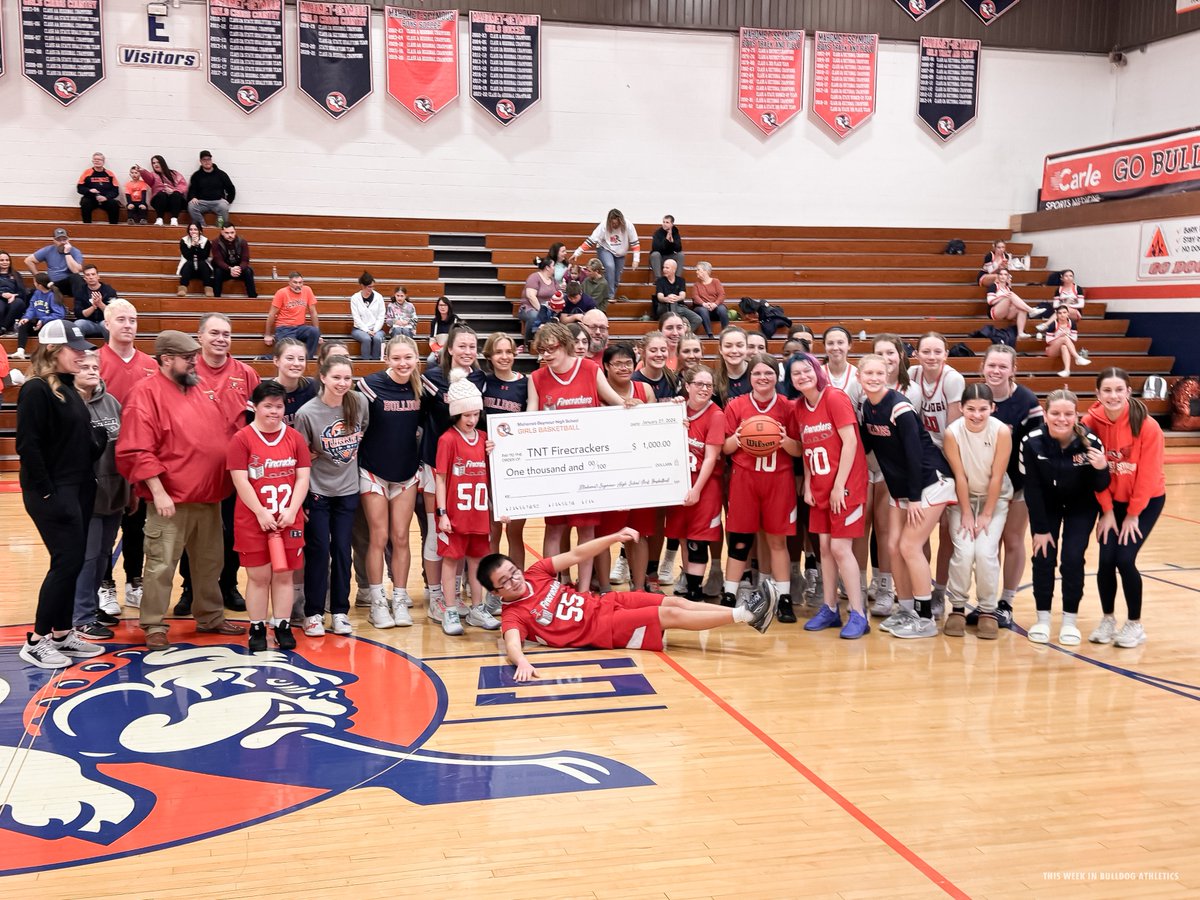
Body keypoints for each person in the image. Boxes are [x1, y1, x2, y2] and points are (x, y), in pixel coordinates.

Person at [480, 528, 775, 681]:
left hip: (606, 602)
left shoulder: (535, 572)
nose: (513, 581)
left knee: (672, 600)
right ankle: (745, 613)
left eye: (512, 573)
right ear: (496, 592)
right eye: (504, 582)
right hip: (602, 629)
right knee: (669, 614)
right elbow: (512, 644)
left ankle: (749, 615)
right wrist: (521, 662)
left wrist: (614, 537)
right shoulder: (514, 615)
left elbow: (578, 553)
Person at [115, 331, 247, 649]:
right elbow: (136, 449)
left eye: (194, 358)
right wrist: (158, 492)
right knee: (161, 564)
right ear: (166, 359)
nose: (194, 363)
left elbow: (221, 433)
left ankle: (210, 616)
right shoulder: (145, 394)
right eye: (188, 358)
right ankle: (153, 623)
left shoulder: (198, 388)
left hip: (209, 496)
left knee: (209, 562)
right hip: (170, 499)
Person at [15, 320, 108, 668]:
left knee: (71, 563)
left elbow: (77, 444)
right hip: (55, 492)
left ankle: (62, 633)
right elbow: (29, 446)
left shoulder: (67, 389)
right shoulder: (36, 389)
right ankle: (37, 640)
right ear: (54, 350)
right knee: (65, 563)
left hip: (79, 488)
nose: (83, 355)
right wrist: (48, 494)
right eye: (75, 349)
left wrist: (98, 438)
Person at [527, 322, 630, 596]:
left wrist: (651, 411)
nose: (547, 355)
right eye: (543, 350)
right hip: (555, 468)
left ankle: (583, 592)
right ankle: (552, 588)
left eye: (552, 349)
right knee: (554, 530)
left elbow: (619, 404)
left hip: (588, 468)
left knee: (586, 532)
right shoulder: (536, 378)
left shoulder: (590, 370)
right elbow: (527, 423)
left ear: (565, 344)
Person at [859, 353, 956, 640]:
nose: (875, 378)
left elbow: (915, 454)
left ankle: (925, 617)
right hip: (903, 487)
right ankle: (906, 609)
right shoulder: (867, 407)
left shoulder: (899, 407)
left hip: (929, 482)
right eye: (869, 374)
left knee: (909, 546)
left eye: (880, 372)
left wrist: (914, 498)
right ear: (859, 377)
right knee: (891, 546)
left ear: (889, 373)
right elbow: (865, 446)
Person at [179, 313, 261, 614]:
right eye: (214, 333)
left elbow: (256, 422)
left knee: (231, 532)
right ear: (199, 336)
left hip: (236, 472)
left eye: (226, 334)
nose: (220, 339)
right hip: (194, 469)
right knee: (192, 532)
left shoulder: (246, 374)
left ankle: (228, 585)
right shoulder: (185, 372)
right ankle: (190, 588)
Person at [1082, 368, 1167, 649]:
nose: (1113, 396)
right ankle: (1108, 619)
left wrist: (1133, 515)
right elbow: (1096, 474)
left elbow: (1149, 475)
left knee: (1124, 559)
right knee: (1106, 560)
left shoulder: (1147, 426)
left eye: (1119, 390)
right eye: (1107, 390)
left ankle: (1134, 624)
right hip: (1111, 501)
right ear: (1098, 394)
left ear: (1129, 392)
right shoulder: (1088, 424)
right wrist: (1106, 511)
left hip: (1146, 501)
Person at [788, 352, 870, 639]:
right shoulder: (799, 407)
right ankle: (830, 608)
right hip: (821, 487)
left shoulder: (834, 397)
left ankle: (859, 613)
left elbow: (850, 442)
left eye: (806, 370)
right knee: (824, 550)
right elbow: (808, 449)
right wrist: (809, 483)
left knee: (840, 549)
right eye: (796, 373)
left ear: (817, 371)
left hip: (846, 486)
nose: (802, 376)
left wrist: (839, 486)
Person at [227, 381, 310, 653]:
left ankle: (283, 625)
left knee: (284, 576)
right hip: (254, 520)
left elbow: (302, 479)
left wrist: (292, 509)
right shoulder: (242, 439)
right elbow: (240, 480)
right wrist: (260, 512)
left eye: (278, 406)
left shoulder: (295, 438)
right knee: (259, 577)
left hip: (287, 519)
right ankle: (257, 626)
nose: (273, 412)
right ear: (255, 407)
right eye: (267, 406)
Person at [1022, 389, 1109, 646]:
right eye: (1055, 413)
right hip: (1046, 505)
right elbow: (1032, 488)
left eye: (1068, 414)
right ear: (1046, 414)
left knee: (1072, 559)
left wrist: (1102, 467)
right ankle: (1043, 619)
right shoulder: (1031, 442)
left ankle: (1070, 620)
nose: (1062, 419)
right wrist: (1039, 528)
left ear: (1077, 416)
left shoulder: (1091, 442)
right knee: (1043, 555)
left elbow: (1101, 485)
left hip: (1080, 506)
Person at [420, 326, 493, 627]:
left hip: (473, 490)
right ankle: (441, 600)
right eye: (461, 345)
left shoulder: (480, 381)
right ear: (449, 348)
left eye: (472, 346)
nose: (467, 351)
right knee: (440, 542)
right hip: (440, 467)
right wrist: (442, 510)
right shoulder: (433, 375)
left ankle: (473, 605)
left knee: (473, 553)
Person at [294, 354, 368, 637]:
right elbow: (300, 458)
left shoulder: (358, 402)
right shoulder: (307, 413)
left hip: (348, 491)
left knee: (341, 552)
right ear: (322, 377)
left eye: (347, 378)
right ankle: (313, 613)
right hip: (318, 492)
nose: (342, 383)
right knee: (318, 551)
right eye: (336, 377)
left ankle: (339, 611)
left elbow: (364, 431)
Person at [721, 352, 799, 617]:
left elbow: (799, 450)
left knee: (778, 542)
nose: (763, 377)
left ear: (777, 377)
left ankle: (784, 598)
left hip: (779, 479)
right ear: (749, 377)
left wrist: (782, 439)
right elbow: (725, 447)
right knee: (740, 540)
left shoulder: (789, 407)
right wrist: (740, 437)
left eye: (768, 373)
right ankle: (729, 595)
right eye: (757, 373)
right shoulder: (736, 406)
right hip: (745, 480)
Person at [358, 335, 424, 629]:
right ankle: (376, 600)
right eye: (396, 358)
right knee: (379, 537)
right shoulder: (369, 386)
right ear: (386, 358)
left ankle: (399, 597)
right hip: (373, 471)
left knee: (401, 537)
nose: (402, 363)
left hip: (407, 473)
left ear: (415, 359)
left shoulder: (422, 387)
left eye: (407, 358)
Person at [98, 299, 157, 611]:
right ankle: (104, 585)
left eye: (133, 320)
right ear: (107, 323)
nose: (128, 325)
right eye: (121, 319)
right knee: (106, 526)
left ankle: (135, 580)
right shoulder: (94, 361)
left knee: (137, 526)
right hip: (104, 459)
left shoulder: (150, 364)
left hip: (139, 458)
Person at [941, 384, 1012, 639]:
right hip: (964, 499)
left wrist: (986, 513)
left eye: (983, 409)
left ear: (993, 408)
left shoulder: (1001, 431)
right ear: (961, 408)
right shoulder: (952, 433)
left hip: (996, 498)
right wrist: (967, 512)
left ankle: (987, 611)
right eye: (971, 409)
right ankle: (958, 608)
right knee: (963, 550)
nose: (977, 414)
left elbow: (997, 476)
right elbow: (959, 475)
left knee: (985, 552)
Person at [979, 344, 1043, 629]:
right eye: (992, 365)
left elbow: (1037, 449)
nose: (996, 371)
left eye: (1003, 366)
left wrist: (1028, 487)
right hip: (982, 483)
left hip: (1018, 483)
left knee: (1013, 540)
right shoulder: (976, 396)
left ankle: (1006, 603)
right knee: (986, 546)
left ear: (1013, 370)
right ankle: (987, 604)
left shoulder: (1027, 402)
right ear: (983, 366)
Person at [70, 350, 128, 640]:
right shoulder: (67, 402)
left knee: (104, 555)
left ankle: (91, 607)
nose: (92, 371)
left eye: (96, 367)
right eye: (85, 367)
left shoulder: (111, 403)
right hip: (84, 496)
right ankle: (81, 616)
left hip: (114, 492)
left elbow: (124, 447)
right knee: (89, 557)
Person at [906, 332, 965, 614]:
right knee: (923, 532)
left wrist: (950, 472)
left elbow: (952, 432)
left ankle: (940, 591)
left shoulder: (953, 379)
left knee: (945, 531)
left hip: (947, 456)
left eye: (937, 352)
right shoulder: (912, 374)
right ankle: (925, 587)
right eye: (926, 351)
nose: (931, 357)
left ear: (946, 354)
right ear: (916, 354)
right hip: (923, 456)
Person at [434, 373, 495, 637]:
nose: (471, 420)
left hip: (479, 513)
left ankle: (478, 609)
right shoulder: (447, 440)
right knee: (451, 561)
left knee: (478, 561)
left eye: (475, 414)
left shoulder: (484, 438)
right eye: (466, 415)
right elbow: (440, 479)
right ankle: (449, 609)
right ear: (455, 415)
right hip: (456, 514)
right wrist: (442, 513)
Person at [597, 342, 657, 593]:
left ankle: (639, 586)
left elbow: (658, 423)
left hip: (640, 473)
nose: (624, 368)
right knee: (604, 536)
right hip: (608, 475)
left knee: (639, 534)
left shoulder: (645, 389)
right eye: (618, 363)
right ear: (606, 367)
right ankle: (603, 588)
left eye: (628, 363)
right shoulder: (598, 392)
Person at [664, 366, 725, 602]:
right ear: (687, 386)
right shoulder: (677, 410)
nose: (705, 389)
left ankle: (695, 592)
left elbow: (711, 457)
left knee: (697, 541)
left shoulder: (716, 415)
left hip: (704, 485)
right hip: (679, 483)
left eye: (709, 385)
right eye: (699, 384)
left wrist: (697, 490)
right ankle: (689, 584)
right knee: (682, 536)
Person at [481, 332, 528, 571]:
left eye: (509, 351)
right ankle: (492, 586)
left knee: (515, 531)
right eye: (499, 352)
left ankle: (517, 582)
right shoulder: (482, 382)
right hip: (488, 463)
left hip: (516, 466)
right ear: (489, 355)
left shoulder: (525, 383)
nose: (504, 356)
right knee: (492, 528)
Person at [572, 209, 640, 303]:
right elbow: (591, 240)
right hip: (605, 248)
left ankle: (608, 295)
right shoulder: (603, 225)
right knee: (609, 267)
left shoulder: (628, 225)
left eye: (617, 223)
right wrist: (578, 252)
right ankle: (609, 296)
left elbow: (635, 242)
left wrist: (636, 259)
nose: (615, 225)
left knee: (616, 277)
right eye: (613, 223)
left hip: (620, 253)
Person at [265, 272, 322, 358]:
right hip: (284, 328)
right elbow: (272, 314)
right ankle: (265, 359)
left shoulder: (307, 290)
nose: (298, 285)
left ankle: (307, 359)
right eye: (295, 282)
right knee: (290, 351)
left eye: (300, 282)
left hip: (300, 327)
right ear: (289, 283)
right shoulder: (281, 293)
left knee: (314, 331)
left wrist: (318, 336)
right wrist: (267, 334)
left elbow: (313, 312)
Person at [12, 275, 68, 360]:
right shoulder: (37, 293)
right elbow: (31, 308)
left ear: (40, 285)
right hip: (37, 322)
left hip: (49, 324)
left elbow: (60, 315)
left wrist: (43, 320)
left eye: (34, 282)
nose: (33, 284)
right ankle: (20, 351)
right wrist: (26, 317)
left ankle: (46, 355)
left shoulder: (52, 295)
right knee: (24, 323)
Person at [267, 337, 318, 424]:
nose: (296, 363)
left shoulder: (314, 388)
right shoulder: (263, 392)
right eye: (290, 358)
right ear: (276, 361)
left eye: (301, 359)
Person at [25, 227, 84, 298]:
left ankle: (79, 307)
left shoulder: (75, 251)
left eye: (64, 239)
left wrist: (67, 253)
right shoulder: (48, 250)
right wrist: (38, 276)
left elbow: (76, 271)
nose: (62, 242)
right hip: (52, 284)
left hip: (68, 285)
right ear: (54, 241)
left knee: (76, 277)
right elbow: (28, 261)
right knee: (28, 292)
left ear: (68, 240)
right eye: (59, 240)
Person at [987, 269, 1043, 339]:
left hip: (1006, 312)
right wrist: (1004, 296)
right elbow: (990, 301)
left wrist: (1008, 292)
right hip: (995, 311)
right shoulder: (994, 286)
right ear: (998, 276)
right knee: (1010, 295)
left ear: (1008, 276)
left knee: (1022, 309)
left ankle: (1020, 333)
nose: (1003, 276)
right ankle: (1031, 310)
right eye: (1001, 274)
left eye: (1005, 275)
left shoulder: (1008, 288)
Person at [187, 150, 237, 227]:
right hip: (202, 202)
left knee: (224, 206)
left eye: (209, 159)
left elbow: (231, 188)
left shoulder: (221, 174)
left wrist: (228, 201)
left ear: (211, 160)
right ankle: (202, 226)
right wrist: (193, 197)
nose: (207, 162)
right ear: (200, 161)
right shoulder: (196, 175)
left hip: (218, 202)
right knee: (191, 206)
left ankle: (219, 228)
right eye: (204, 160)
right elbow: (192, 189)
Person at [652, 258, 702, 332]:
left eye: (667, 268)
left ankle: (683, 335)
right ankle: (675, 323)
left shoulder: (680, 280)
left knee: (697, 319)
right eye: (663, 267)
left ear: (674, 269)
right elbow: (660, 297)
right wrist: (667, 298)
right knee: (672, 302)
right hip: (664, 307)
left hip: (679, 307)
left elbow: (682, 296)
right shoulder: (660, 281)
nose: (664, 270)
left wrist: (675, 298)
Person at [138, 154, 188, 226]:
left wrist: (173, 191)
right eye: (153, 163)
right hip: (160, 201)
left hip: (175, 202)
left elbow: (183, 185)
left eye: (158, 162)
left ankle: (174, 219)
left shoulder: (174, 173)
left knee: (176, 194)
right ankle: (159, 219)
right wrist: (143, 171)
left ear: (162, 163)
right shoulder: (153, 174)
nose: (156, 164)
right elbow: (148, 178)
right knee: (161, 194)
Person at [1043, 306, 1091, 378]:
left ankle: (1067, 370)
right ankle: (1077, 357)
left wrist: (1066, 335)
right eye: (1060, 313)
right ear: (1057, 315)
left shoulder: (1072, 324)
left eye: (1064, 312)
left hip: (1064, 348)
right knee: (1064, 338)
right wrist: (1060, 337)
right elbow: (1048, 340)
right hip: (1052, 349)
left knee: (1064, 347)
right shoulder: (1053, 324)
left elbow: (1074, 339)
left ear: (1068, 313)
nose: (1062, 315)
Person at [212, 223, 258, 298]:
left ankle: (252, 297)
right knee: (218, 271)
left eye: (232, 232)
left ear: (235, 232)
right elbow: (218, 260)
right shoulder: (216, 242)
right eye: (227, 233)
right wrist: (230, 269)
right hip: (224, 269)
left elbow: (245, 260)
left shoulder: (242, 242)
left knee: (248, 271)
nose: (230, 235)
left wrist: (238, 269)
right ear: (222, 232)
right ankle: (216, 297)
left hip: (238, 269)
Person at [70, 264, 116, 339]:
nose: (91, 277)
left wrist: (100, 304)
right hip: (88, 323)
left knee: (107, 324)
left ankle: (110, 348)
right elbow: (78, 313)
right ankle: (79, 349)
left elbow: (113, 312)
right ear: (84, 278)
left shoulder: (108, 290)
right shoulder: (80, 291)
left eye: (93, 274)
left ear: (98, 276)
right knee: (78, 324)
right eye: (88, 275)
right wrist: (93, 307)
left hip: (103, 322)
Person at [350, 271, 387, 360]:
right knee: (366, 339)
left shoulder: (379, 297)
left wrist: (375, 330)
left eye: (372, 287)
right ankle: (365, 362)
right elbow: (356, 318)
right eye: (369, 287)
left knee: (377, 338)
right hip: (359, 329)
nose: (371, 289)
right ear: (362, 286)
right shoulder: (355, 298)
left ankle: (376, 362)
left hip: (376, 329)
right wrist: (367, 330)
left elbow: (381, 316)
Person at [519, 257, 557, 342]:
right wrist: (542, 311)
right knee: (534, 316)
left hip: (549, 308)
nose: (555, 268)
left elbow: (558, 294)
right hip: (530, 308)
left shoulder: (553, 281)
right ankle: (529, 342)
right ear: (547, 267)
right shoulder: (534, 277)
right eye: (553, 266)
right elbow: (530, 296)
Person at [77, 152, 120, 225]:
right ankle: (87, 226)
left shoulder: (110, 174)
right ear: (92, 161)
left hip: (105, 199)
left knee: (114, 204)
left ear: (103, 161)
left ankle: (113, 227)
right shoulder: (87, 172)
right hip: (91, 198)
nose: (97, 161)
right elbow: (79, 188)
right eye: (95, 159)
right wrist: (89, 190)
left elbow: (115, 191)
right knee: (85, 202)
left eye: (99, 159)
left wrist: (106, 197)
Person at [633, 331, 677, 401]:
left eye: (663, 350)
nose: (659, 354)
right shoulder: (633, 381)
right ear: (643, 353)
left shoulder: (673, 379)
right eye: (653, 351)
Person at [713, 326, 751, 407]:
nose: (734, 351)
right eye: (728, 346)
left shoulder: (758, 374)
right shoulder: (714, 381)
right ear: (720, 349)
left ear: (747, 348)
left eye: (739, 345)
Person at [692, 261, 729, 338]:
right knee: (703, 310)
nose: (696, 272)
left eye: (699, 270)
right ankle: (710, 334)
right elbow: (695, 297)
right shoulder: (696, 285)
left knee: (722, 309)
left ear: (706, 271)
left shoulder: (716, 281)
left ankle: (726, 332)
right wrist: (704, 304)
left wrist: (715, 304)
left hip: (715, 308)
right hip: (703, 308)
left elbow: (722, 295)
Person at [177, 223, 215, 297]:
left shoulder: (206, 241)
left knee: (202, 263)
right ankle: (182, 289)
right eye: (191, 229)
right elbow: (187, 256)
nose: (193, 231)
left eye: (195, 229)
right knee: (189, 263)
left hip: (202, 270)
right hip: (188, 269)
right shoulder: (184, 240)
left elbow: (204, 256)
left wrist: (198, 245)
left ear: (200, 231)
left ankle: (208, 289)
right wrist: (192, 245)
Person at [0, 250, 29, 335]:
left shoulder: (16, 274)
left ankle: (4, 327)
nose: (5, 262)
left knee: (19, 303)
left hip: (13, 299)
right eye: (2, 260)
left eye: (7, 260)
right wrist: (2, 294)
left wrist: (13, 295)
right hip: (0, 297)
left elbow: (22, 291)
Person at [649, 215, 685, 279]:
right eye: (663, 222)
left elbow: (679, 248)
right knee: (655, 254)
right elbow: (655, 248)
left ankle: (677, 279)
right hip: (660, 258)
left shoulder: (675, 232)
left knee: (681, 255)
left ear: (672, 224)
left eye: (667, 222)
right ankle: (658, 279)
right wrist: (666, 240)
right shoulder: (658, 233)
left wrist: (672, 242)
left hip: (670, 257)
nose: (664, 224)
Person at [428, 295, 460, 362]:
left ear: (449, 306)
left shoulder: (456, 320)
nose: (442, 307)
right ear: (437, 307)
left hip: (453, 349)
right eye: (440, 305)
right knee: (430, 360)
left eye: (445, 305)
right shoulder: (434, 322)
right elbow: (432, 341)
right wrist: (438, 351)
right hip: (438, 350)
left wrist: (448, 350)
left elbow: (459, 338)